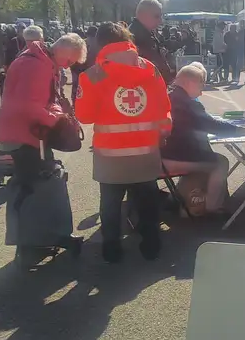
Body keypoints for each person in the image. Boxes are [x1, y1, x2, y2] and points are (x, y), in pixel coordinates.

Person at [74, 22, 172, 263]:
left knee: (110, 205)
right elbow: (164, 108)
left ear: (100, 44)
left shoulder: (93, 75)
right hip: (145, 151)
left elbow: (84, 116)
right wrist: (162, 134)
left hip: (110, 155)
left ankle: (112, 250)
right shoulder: (150, 69)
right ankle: (151, 245)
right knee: (147, 202)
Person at [0, 32, 87, 254]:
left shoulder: (37, 60)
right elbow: (30, 106)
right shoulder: (37, 65)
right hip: (26, 135)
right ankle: (31, 243)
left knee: (35, 185)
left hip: (25, 133)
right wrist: (57, 119)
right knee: (33, 186)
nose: (69, 65)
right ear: (63, 51)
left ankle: (38, 239)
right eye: (70, 60)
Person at [161, 64, 241, 215]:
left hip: (159, 156)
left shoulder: (166, 94)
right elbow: (213, 126)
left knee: (204, 157)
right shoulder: (186, 102)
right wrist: (241, 130)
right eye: (201, 86)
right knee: (220, 162)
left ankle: (178, 199)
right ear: (190, 82)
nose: (202, 92)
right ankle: (212, 207)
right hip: (171, 159)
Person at [129, 0, 175, 84]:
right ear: (143, 15)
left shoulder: (147, 34)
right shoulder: (133, 37)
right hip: (147, 90)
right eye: (157, 16)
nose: (160, 21)